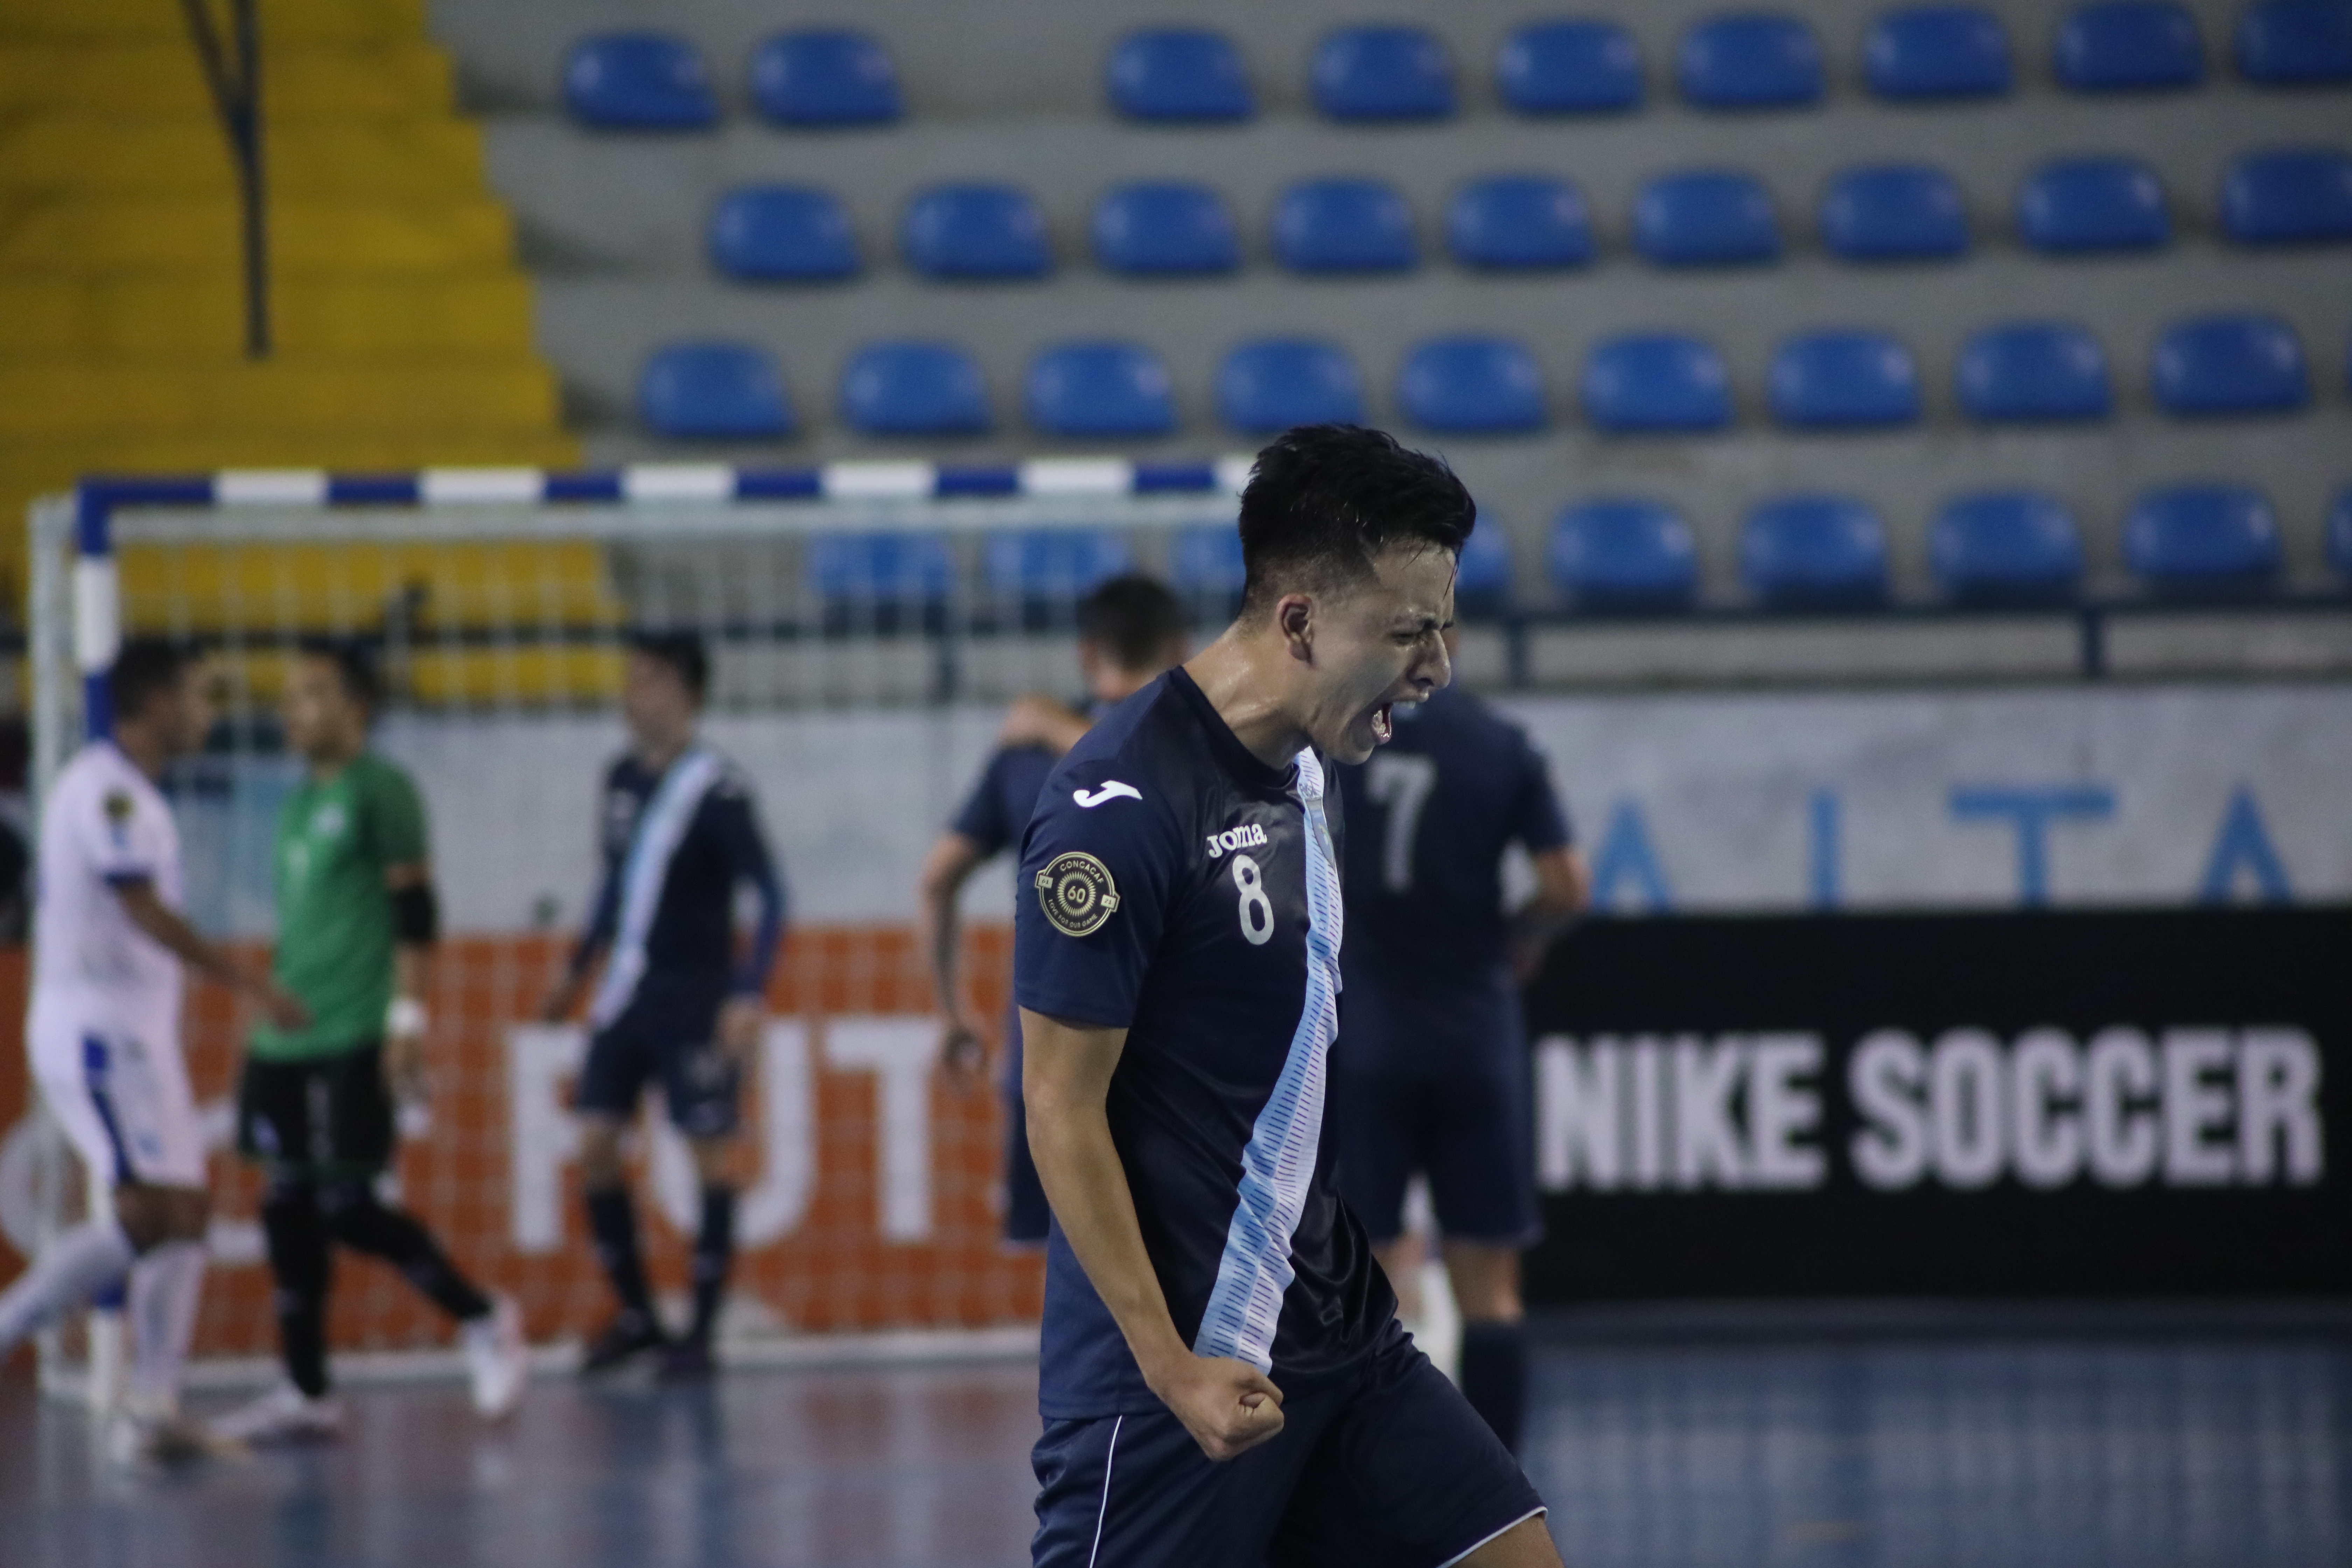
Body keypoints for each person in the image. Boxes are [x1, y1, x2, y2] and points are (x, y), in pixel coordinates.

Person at [1017, 426, 1563, 1566]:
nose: (1439, 667)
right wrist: (1174, 1371)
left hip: (1341, 1337)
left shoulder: (1310, 764)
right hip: (1176, 1383)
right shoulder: (1115, 812)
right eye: (1410, 632)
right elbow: (1059, 1110)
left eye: (1445, 627)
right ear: (1301, 622)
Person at [210, 642, 530, 1445]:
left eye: (313, 693)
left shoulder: (381, 790)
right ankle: (306, 1388)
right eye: (287, 696)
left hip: (355, 1028)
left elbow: (417, 914)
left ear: (358, 708)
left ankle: (484, 1315)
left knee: (346, 1201)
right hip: (285, 1034)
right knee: (286, 1202)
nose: (294, 710)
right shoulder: (292, 803)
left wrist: (407, 1022)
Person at [0, 639, 309, 1464]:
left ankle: (155, 1405)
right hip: (98, 1032)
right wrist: (248, 982)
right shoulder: (108, 791)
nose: (210, 714)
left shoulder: (135, 793)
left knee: (185, 1218)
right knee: (149, 1212)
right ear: (156, 702)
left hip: (136, 1033)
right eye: (199, 696)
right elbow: (140, 908)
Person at [1331, 644, 1590, 1456]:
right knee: (1491, 1289)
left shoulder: (1339, 735)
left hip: (1365, 1031)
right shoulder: (1500, 743)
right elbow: (1566, 882)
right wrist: (1521, 936)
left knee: (1361, 1284)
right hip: (1473, 1033)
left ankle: (1366, 1479)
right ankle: (1496, 1494)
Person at [541, 630, 786, 1380]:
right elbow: (613, 885)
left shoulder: (720, 789)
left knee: (711, 1155)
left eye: (647, 679)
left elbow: (772, 896)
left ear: (685, 692)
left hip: (695, 999)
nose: (631, 694)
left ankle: (701, 1331)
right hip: (625, 996)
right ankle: (638, 1311)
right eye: (630, 679)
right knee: (595, 1146)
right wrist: (576, 967)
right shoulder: (618, 778)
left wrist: (748, 992)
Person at [917, 575, 1189, 1247]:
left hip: (1059, 1064)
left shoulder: (1028, 753)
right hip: (1182, 1063)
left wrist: (951, 1010)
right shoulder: (1207, 743)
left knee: (1077, 1268)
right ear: (1180, 648)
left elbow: (935, 881)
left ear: (1087, 652)